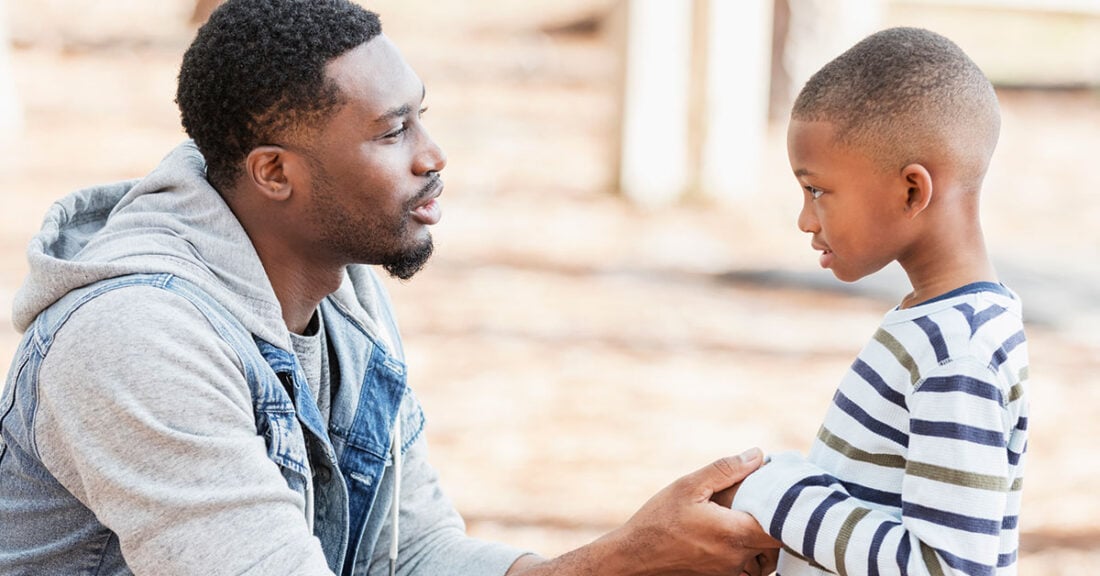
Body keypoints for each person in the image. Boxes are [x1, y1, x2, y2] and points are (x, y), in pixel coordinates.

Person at [0, 0, 779, 574]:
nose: (432, 155)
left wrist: (630, 560)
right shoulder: (134, 338)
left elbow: (410, 552)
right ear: (275, 172)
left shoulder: (340, 289)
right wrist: (617, 561)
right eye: (391, 131)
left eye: (422, 118)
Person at [727, 27, 1030, 575]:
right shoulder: (934, 326)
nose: (805, 219)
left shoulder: (958, 353)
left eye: (817, 190)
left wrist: (776, 493)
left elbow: (950, 567)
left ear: (912, 190)